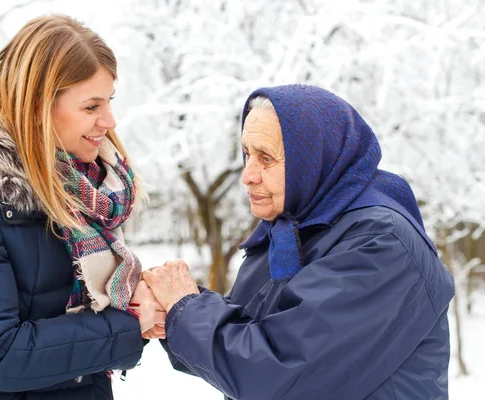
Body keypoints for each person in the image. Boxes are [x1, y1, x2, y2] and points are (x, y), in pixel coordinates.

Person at [142, 85, 455, 400]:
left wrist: (186, 308)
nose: (247, 175)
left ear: (314, 158)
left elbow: (273, 371)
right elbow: (252, 333)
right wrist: (173, 311)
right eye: (247, 153)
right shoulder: (290, 231)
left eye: (266, 157)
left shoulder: (380, 244)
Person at [0, 15, 164, 399]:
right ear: (39, 105)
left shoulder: (82, 191)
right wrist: (128, 322)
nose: (109, 121)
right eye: (91, 105)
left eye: (109, 101)